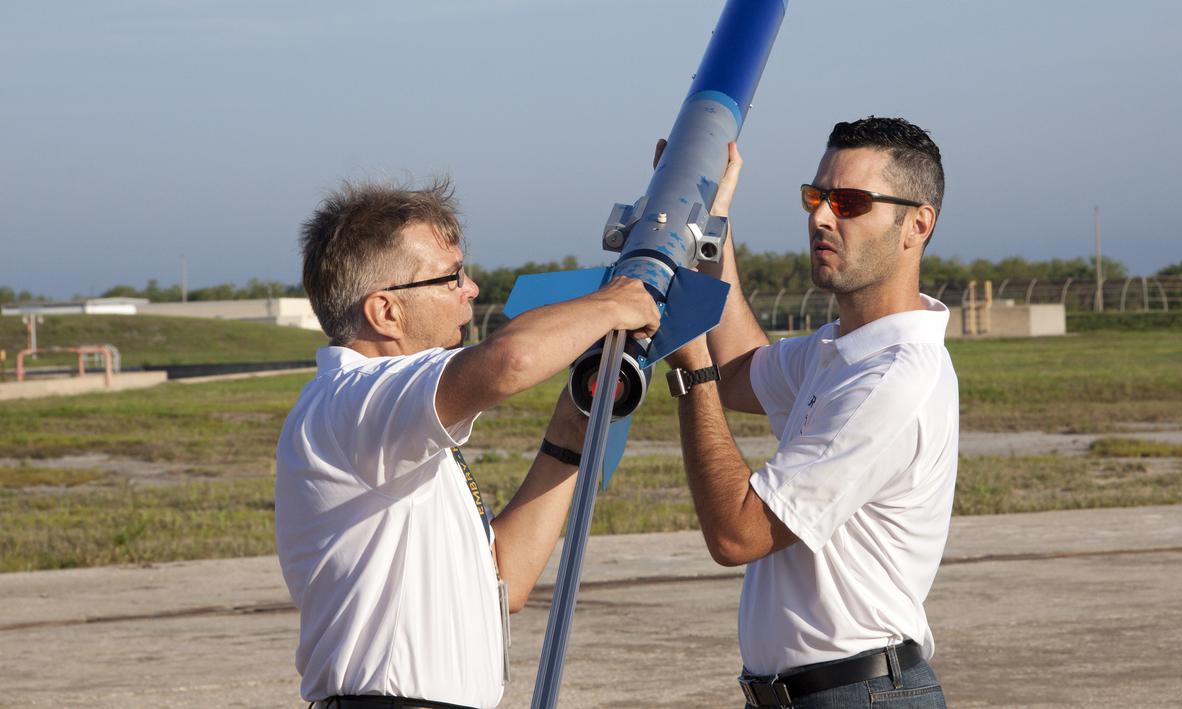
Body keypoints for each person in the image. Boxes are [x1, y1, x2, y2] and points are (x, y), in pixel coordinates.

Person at [274, 178, 660, 709]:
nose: (471, 288)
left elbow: (509, 578)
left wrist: (574, 422)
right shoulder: (354, 401)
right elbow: (511, 362)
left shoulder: (396, 434)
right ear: (386, 311)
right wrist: (613, 303)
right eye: (450, 276)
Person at [665, 117, 957, 708]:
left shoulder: (891, 379)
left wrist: (689, 365)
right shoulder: (841, 350)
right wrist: (711, 229)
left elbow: (737, 533)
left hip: (859, 693)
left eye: (849, 202)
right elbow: (743, 370)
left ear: (916, 225)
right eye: (815, 197)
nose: (822, 217)